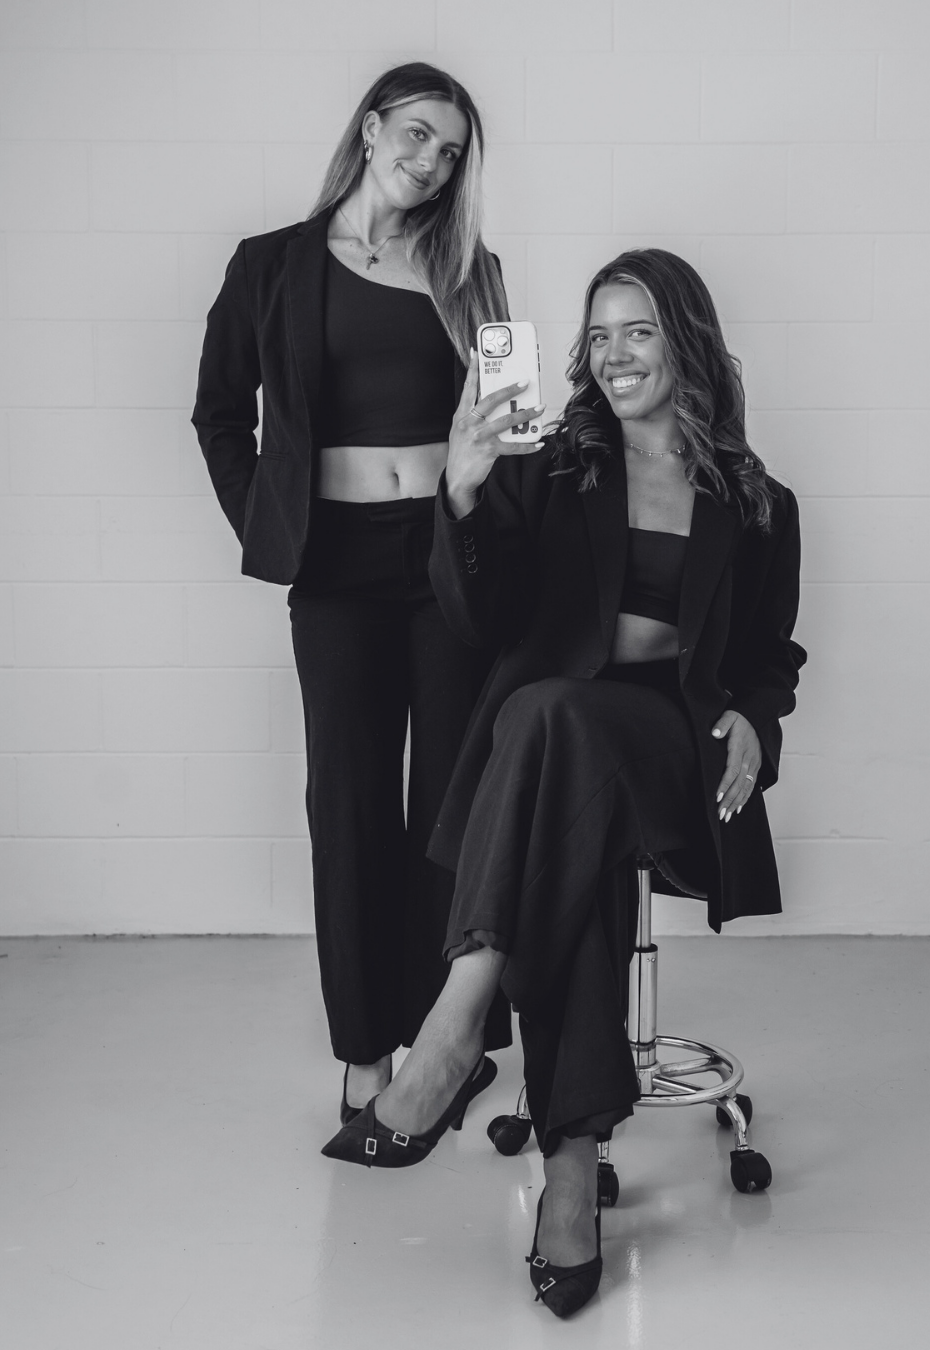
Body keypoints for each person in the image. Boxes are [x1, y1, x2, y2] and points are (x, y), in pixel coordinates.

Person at [321, 249, 806, 1318]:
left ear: (685, 336)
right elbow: (481, 621)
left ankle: (456, 1023)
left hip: (675, 758)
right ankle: (573, 1170)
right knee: (558, 771)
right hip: (563, 766)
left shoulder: (761, 501)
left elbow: (771, 662)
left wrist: (756, 725)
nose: (615, 352)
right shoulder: (555, 467)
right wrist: (461, 483)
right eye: (597, 334)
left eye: (637, 330)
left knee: (547, 721)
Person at [192, 64, 531, 1122]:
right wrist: (275, 529)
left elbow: (511, 433)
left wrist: (489, 516)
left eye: (451, 154)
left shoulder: (476, 272)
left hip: (444, 558)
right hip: (334, 566)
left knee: (447, 805)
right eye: (420, 136)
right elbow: (216, 416)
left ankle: (447, 1036)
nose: (431, 164)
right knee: (346, 804)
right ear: (373, 126)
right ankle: (362, 1050)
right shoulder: (270, 268)